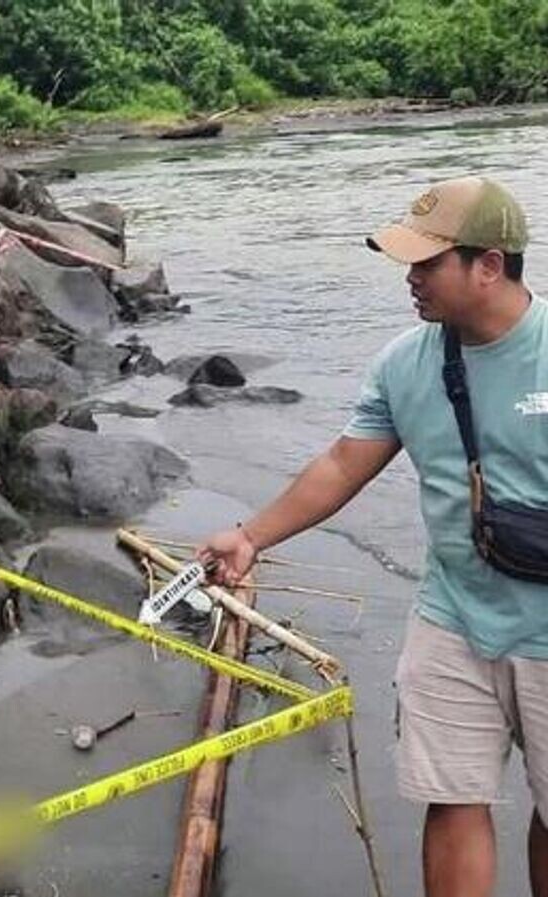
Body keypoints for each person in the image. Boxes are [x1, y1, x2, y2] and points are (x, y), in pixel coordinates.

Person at [198, 176, 547, 897]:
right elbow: (342, 463)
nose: (410, 278)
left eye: (427, 263)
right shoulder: (404, 362)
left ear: (489, 264)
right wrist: (249, 535)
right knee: (450, 795)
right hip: (453, 618)